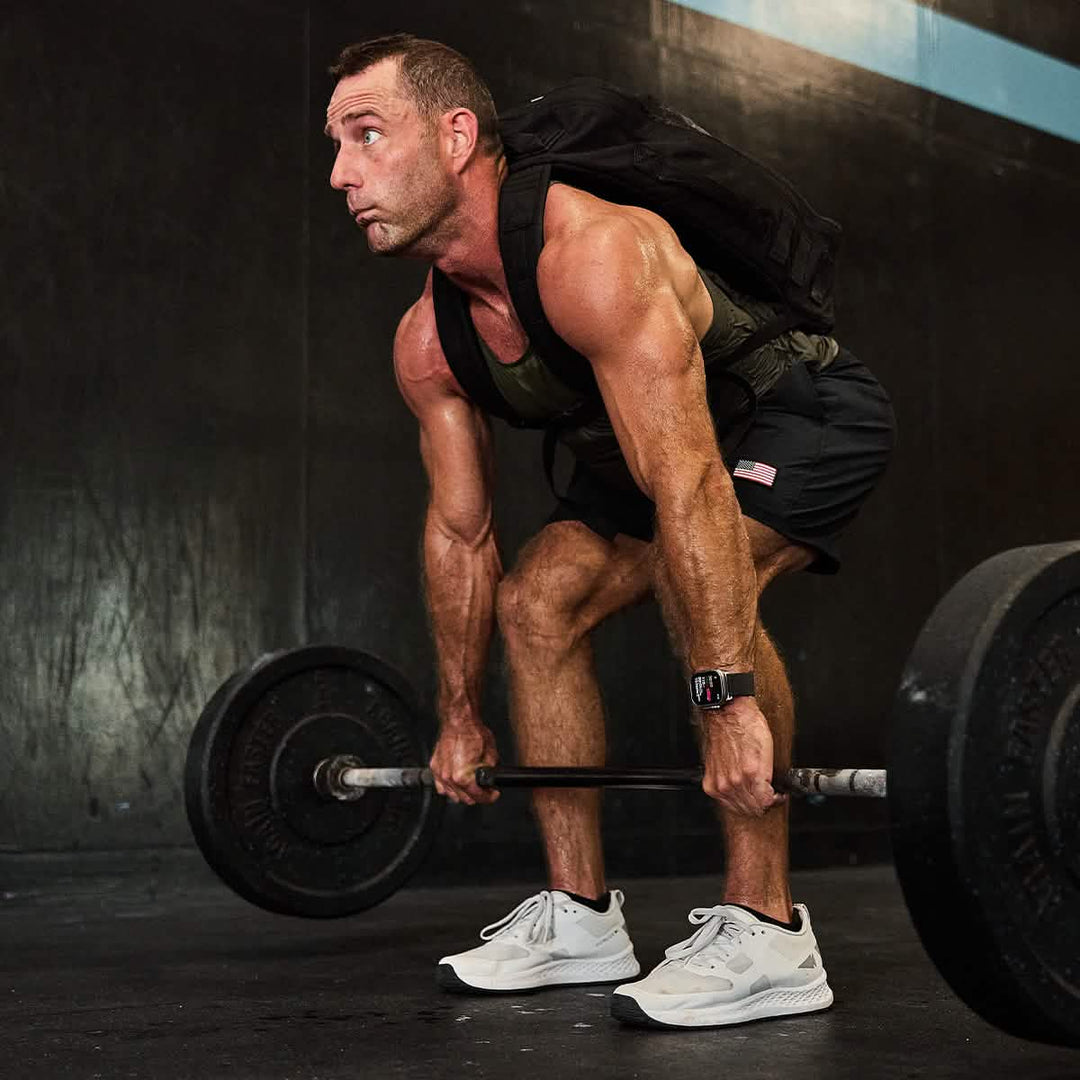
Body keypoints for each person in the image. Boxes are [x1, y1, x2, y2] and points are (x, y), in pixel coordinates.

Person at [324, 33, 895, 1028]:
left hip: (794, 411)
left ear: (458, 136)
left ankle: (768, 930)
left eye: (367, 135)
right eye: (335, 145)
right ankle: (581, 915)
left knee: (698, 582)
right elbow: (462, 539)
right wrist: (462, 715)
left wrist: (726, 698)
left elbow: (689, 487)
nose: (341, 174)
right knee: (536, 604)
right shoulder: (429, 343)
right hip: (659, 447)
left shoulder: (594, 253)